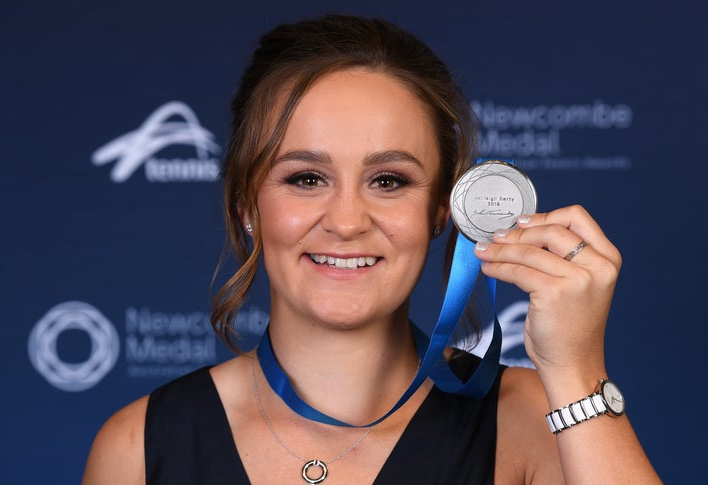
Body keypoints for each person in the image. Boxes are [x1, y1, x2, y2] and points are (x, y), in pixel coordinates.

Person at [83, 14, 661, 484]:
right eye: (306, 178)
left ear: (443, 209)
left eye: (389, 181)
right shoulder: (139, 447)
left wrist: (576, 372)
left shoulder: (533, 418)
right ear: (245, 204)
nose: (346, 222)